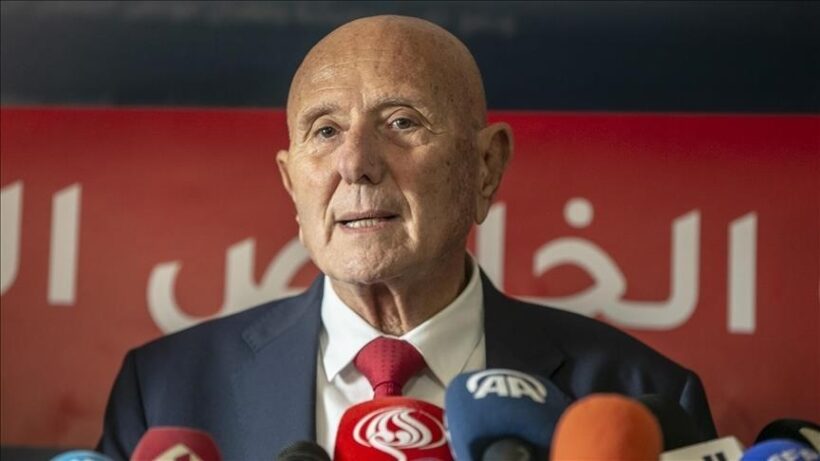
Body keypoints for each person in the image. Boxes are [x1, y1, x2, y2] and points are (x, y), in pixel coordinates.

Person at [98, 15, 716, 459]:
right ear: (291, 184)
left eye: (401, 122)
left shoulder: (644, 400)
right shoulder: (164, 391)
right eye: (325, 131)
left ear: (485, 167)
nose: (356, 164)